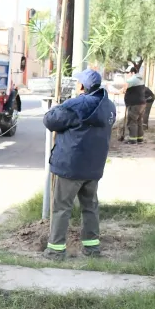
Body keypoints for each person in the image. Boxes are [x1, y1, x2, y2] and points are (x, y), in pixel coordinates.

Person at [43, 69, 116, 260]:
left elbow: (50, 121)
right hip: (93, 168)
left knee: (62, 207)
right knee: (90, 206)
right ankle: (92, 249)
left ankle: (55, 250)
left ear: (82, 86)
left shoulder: (77, 104)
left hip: (71, 167)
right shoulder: (109, 106)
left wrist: (56, 108)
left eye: (77, 82)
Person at [115, 67, 147, 144]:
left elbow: (125, 86)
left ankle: (132, 140)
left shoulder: (133, 79)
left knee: (132, 122)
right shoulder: (139, 78)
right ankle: (140, 139)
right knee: (138, 121)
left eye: (127, 72)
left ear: (132, 72)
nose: (126, 74)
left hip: (134, 104)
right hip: (141, 104)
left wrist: (118, 91)